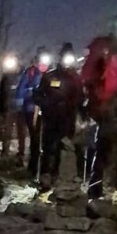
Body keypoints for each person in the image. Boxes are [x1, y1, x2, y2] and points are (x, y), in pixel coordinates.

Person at [81, 19, 117, 203]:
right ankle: (95, 188)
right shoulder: (101, 46)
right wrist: (96, 97)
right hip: (104, 104)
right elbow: (88, 74)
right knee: (104, 145)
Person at [34, 43, 82, 190]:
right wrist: (45, 104)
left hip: (67, 119)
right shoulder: (50, 76)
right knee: (48, 148)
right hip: (50, 118)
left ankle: (59, 176)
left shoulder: (76, 80)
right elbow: (37, 94)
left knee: (63, 148)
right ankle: (45, 176)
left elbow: (81, 98)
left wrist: (80, 109)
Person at [16, 48, 51, 180]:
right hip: (32, 111)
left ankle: (45, 171)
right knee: (35, 140)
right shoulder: (30, 73)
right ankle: (32, 169)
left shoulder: (51, 75)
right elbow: (20, 91)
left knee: (47, 141)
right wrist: (30, 95)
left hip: (47, 112)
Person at [0, 53, 25, 162]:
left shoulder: (23, 75)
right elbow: (2, 94)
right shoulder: (6, 77)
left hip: (21, 109)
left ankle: (21, 153)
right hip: (9, 108)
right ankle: (5, 151)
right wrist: (0, 109)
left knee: (21, 132)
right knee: (7, 131)